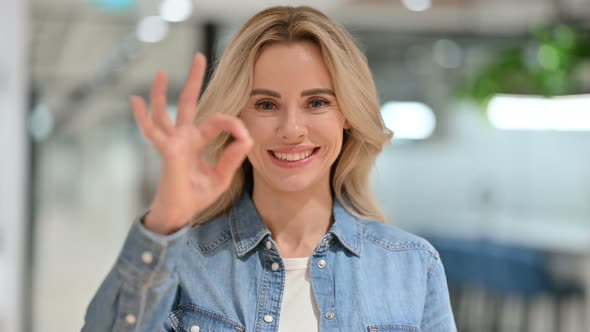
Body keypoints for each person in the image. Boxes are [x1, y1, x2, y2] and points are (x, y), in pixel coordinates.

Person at [82, 5, 456, 332]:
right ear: (236, 117)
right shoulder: (182, 264)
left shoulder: (411, 265)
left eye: (316, 103)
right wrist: (165, 220)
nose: (292, 129)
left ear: (347, 115)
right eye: (265, 105)